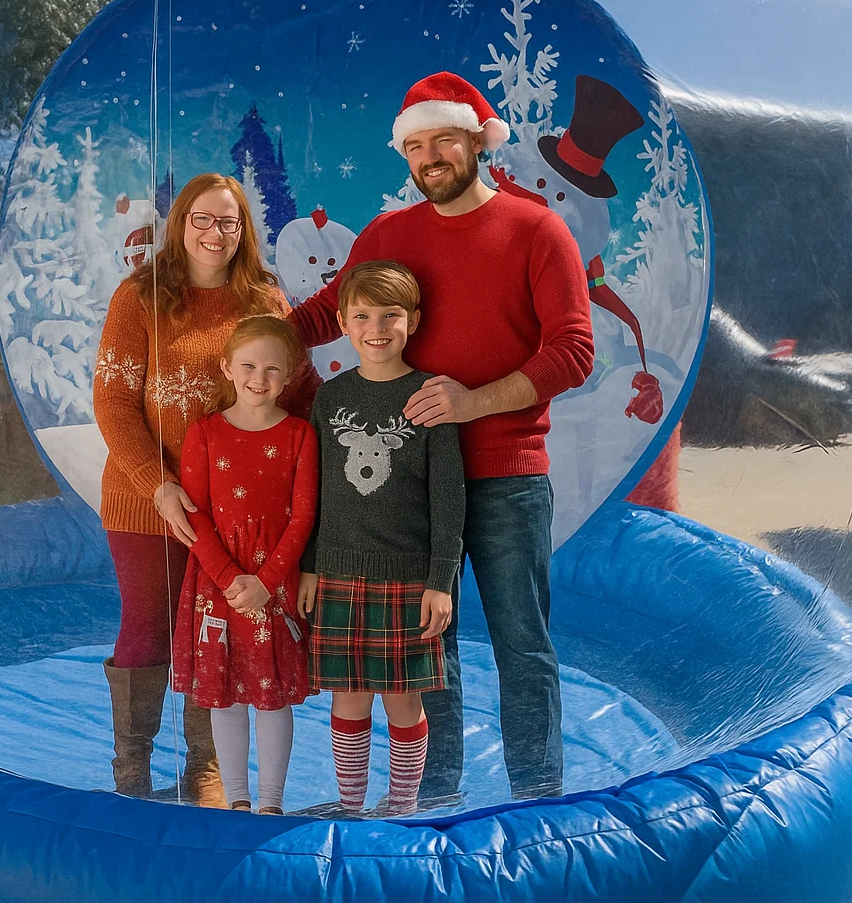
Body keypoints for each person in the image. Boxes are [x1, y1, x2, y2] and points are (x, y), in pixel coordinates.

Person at [290, 72, 594, 803]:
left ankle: (537, 797)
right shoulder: (389, 235)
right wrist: (238, 342)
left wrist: (472, 403)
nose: (430, 157)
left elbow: (573, 352)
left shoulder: (536, 229)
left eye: (444, 141)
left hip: (506, 473)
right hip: (409, 480)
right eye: (416, 145)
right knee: (427, 648)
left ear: (476, 142)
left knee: (522, 641)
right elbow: (325, 315)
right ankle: (434, 795)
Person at [93, 172, 321, 803]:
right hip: (147, 501)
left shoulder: (264, 301)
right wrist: (157, 485)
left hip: (239, 512)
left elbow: (300, 396)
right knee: (146, 625)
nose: (214, 233)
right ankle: (132, 776)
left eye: (228, 221)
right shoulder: (140, 296)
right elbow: (112, 402)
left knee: (215, 629)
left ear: (242, 230)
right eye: (201, 218)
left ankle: (207, 770)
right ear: (180, 223)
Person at [298, 261, 465, 817]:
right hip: (339, 574)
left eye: (390, 315)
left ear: (412, 321)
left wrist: (441, 582)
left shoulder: (429, 399)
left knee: (401, 698)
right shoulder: (329, 399)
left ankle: (400, 806)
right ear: (344, 322)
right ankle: (350, 806)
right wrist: (309, 567)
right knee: (347, 695)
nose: (377, 327)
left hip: (408, 576)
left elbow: (448, 499)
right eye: (363, 315)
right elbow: (314, 494)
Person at [170, 316, 318, 815]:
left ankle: (271, 802)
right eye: (250, 365)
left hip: (273, 584)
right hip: (218, 586)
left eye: (273, 368)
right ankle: (236, 799)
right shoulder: (204, 433)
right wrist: (233, 579)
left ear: (291, 374)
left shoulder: (300, 435)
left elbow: (304, 518)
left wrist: (268, 581)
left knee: (271, 692)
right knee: (226, 692)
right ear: (227, 368)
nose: (260, 377)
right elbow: (197, 519)